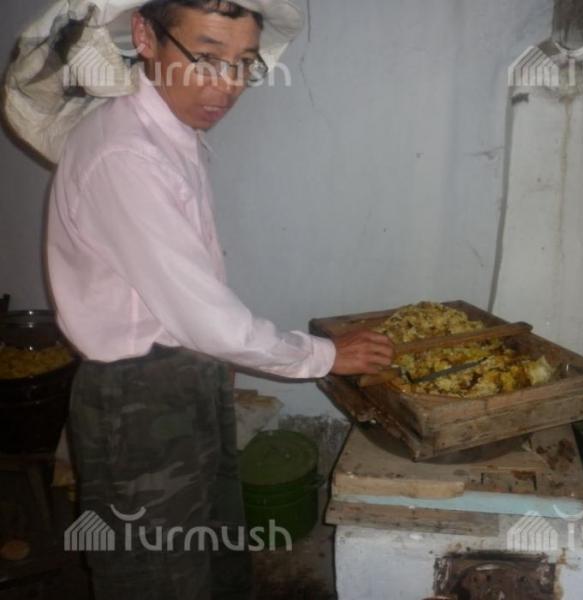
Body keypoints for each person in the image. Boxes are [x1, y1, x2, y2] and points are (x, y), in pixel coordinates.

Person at [45, 1, 394, 597]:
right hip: (138, 401)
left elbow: (194, 304)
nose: (227, 86)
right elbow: (210, 321)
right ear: (145, 36)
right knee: (158, 577)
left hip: (185, 373)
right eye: (206, 58)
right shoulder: (125, 155)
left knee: (215, 550)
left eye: (243, 64)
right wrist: (326, 356)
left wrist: (216, 363)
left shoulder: (170, 132)